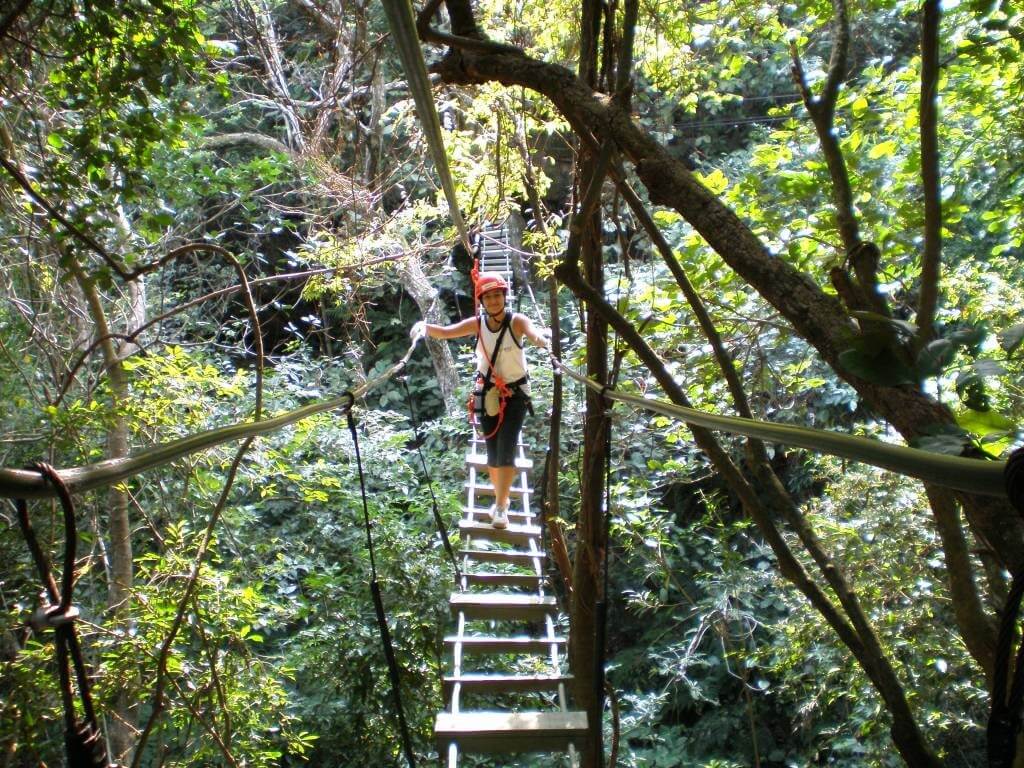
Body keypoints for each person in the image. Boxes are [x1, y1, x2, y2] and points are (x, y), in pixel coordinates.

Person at [410, 273, 550, 529]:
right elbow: (446, 332)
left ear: (504, 297)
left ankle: (500, 505)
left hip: (516, 395)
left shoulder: (516, 321)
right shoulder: (478, 324)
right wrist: (425, 327)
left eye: (498, 295)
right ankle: (501, 500)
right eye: (489, 296)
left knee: (506, 450)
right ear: (482, 301)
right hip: (486, 394)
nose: (494, 300)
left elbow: (532, 332)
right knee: (493, 453)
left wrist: (541, 339)